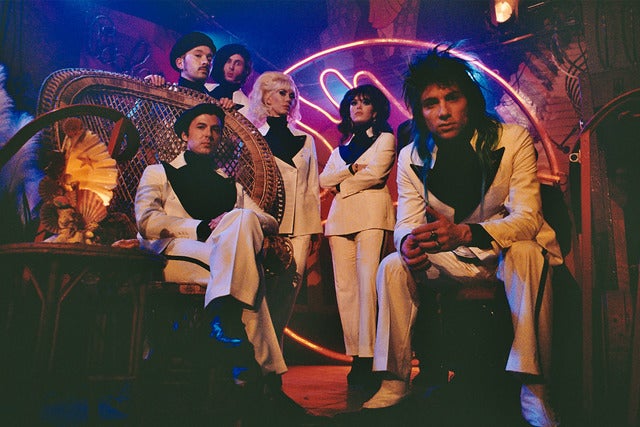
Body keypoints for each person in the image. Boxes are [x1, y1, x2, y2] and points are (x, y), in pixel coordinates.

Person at [362, 46, 563, 427]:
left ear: (469, 101)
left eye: (452, 98)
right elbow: (405, 222)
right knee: (392, 265)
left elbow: (527, 219)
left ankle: (533, 387)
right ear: (420, 112)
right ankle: (394, 379)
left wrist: (468, 233)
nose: (443, 111)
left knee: (528, 252)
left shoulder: (513, 139)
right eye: (430, 103)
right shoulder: (410, 156)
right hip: (452, 259)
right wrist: (407, 244)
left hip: (503, 255)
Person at [134, 103, 314, 423]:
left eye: (216, 129)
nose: (209, 134)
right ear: (185, 134)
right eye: (201, 127)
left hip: (218, 257)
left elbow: (269, 221)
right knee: (246, 274)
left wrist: (234, 218)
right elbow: (147, 220)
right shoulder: (159, 172)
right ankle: (265, 382)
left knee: (242, 224)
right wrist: (201, 228)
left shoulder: (230, 185)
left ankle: (227, 323)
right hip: (172, 252)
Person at [318, 84, 396, 389]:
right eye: (353, 102)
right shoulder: (341, 148)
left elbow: (376, 175)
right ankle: (356, 356)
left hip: (372, 216)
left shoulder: (386, 138)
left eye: (364, 102)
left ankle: (370, 356)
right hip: (339, 221)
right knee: (346, 291)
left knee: (368, 286)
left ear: (376, 110)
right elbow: (324, 178)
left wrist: (341, 186)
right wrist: (351, 170)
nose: (358, 107)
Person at [246, 71, 322, 344]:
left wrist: (315, 229)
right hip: (266, 225)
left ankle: (274, 355)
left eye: (292, 94)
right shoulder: (253, 139)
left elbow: (312, 187)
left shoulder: (306, 139)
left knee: (289, 290)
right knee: (262, 290)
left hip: (301, 226)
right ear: (266, 97)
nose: (289, 98)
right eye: (282, 93)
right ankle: (261, 355)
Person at [144, 32, 236, 110]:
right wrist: (146, 92)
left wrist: (227, 112)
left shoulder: (215, 103)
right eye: (198, 55)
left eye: (209, 58)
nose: (206, 62)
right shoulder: (164, 94)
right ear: (180, 63)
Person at [207, 43, 252, 111]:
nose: (231, 67)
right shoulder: (205, 88)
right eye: (228, 61)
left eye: (238, 64)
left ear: (245, 70)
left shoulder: (246, 105)